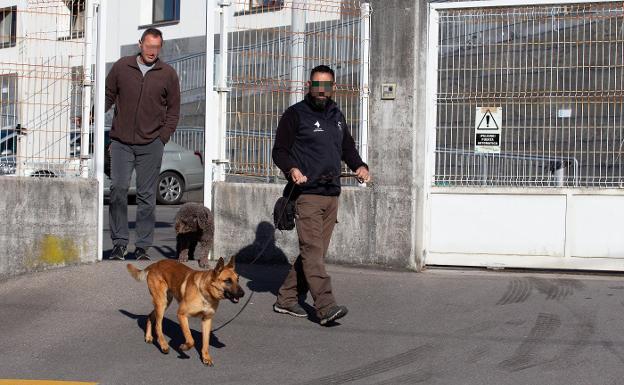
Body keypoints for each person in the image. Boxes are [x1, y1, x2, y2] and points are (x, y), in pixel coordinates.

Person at [271, 65, 371, 325]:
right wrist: (292, 168)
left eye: (326, 86)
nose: (321, 90)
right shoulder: (295, 115)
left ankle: (286, 298)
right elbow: (279, 151)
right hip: (306, 195)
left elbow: (347, 147)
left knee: (313, 253)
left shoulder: (337, 115)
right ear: (309, 85)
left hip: (331, 194)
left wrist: (360, 166)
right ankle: (325, 306)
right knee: (313, 251)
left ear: (333, 88)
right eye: (317, 85)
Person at [104, 28, 180, 261]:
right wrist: (93, 114)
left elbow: (174, 111)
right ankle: (118, 244)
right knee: (118, 190)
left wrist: (162, 138)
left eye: (156, 47)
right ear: (140, 44)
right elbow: (107, 94)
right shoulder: (122, 67)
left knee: (147, 196)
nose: (152, 51)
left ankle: (143, 247)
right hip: (121, 142)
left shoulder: (167, 73)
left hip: (151, 144)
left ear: (161, 47)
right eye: (148, 46)